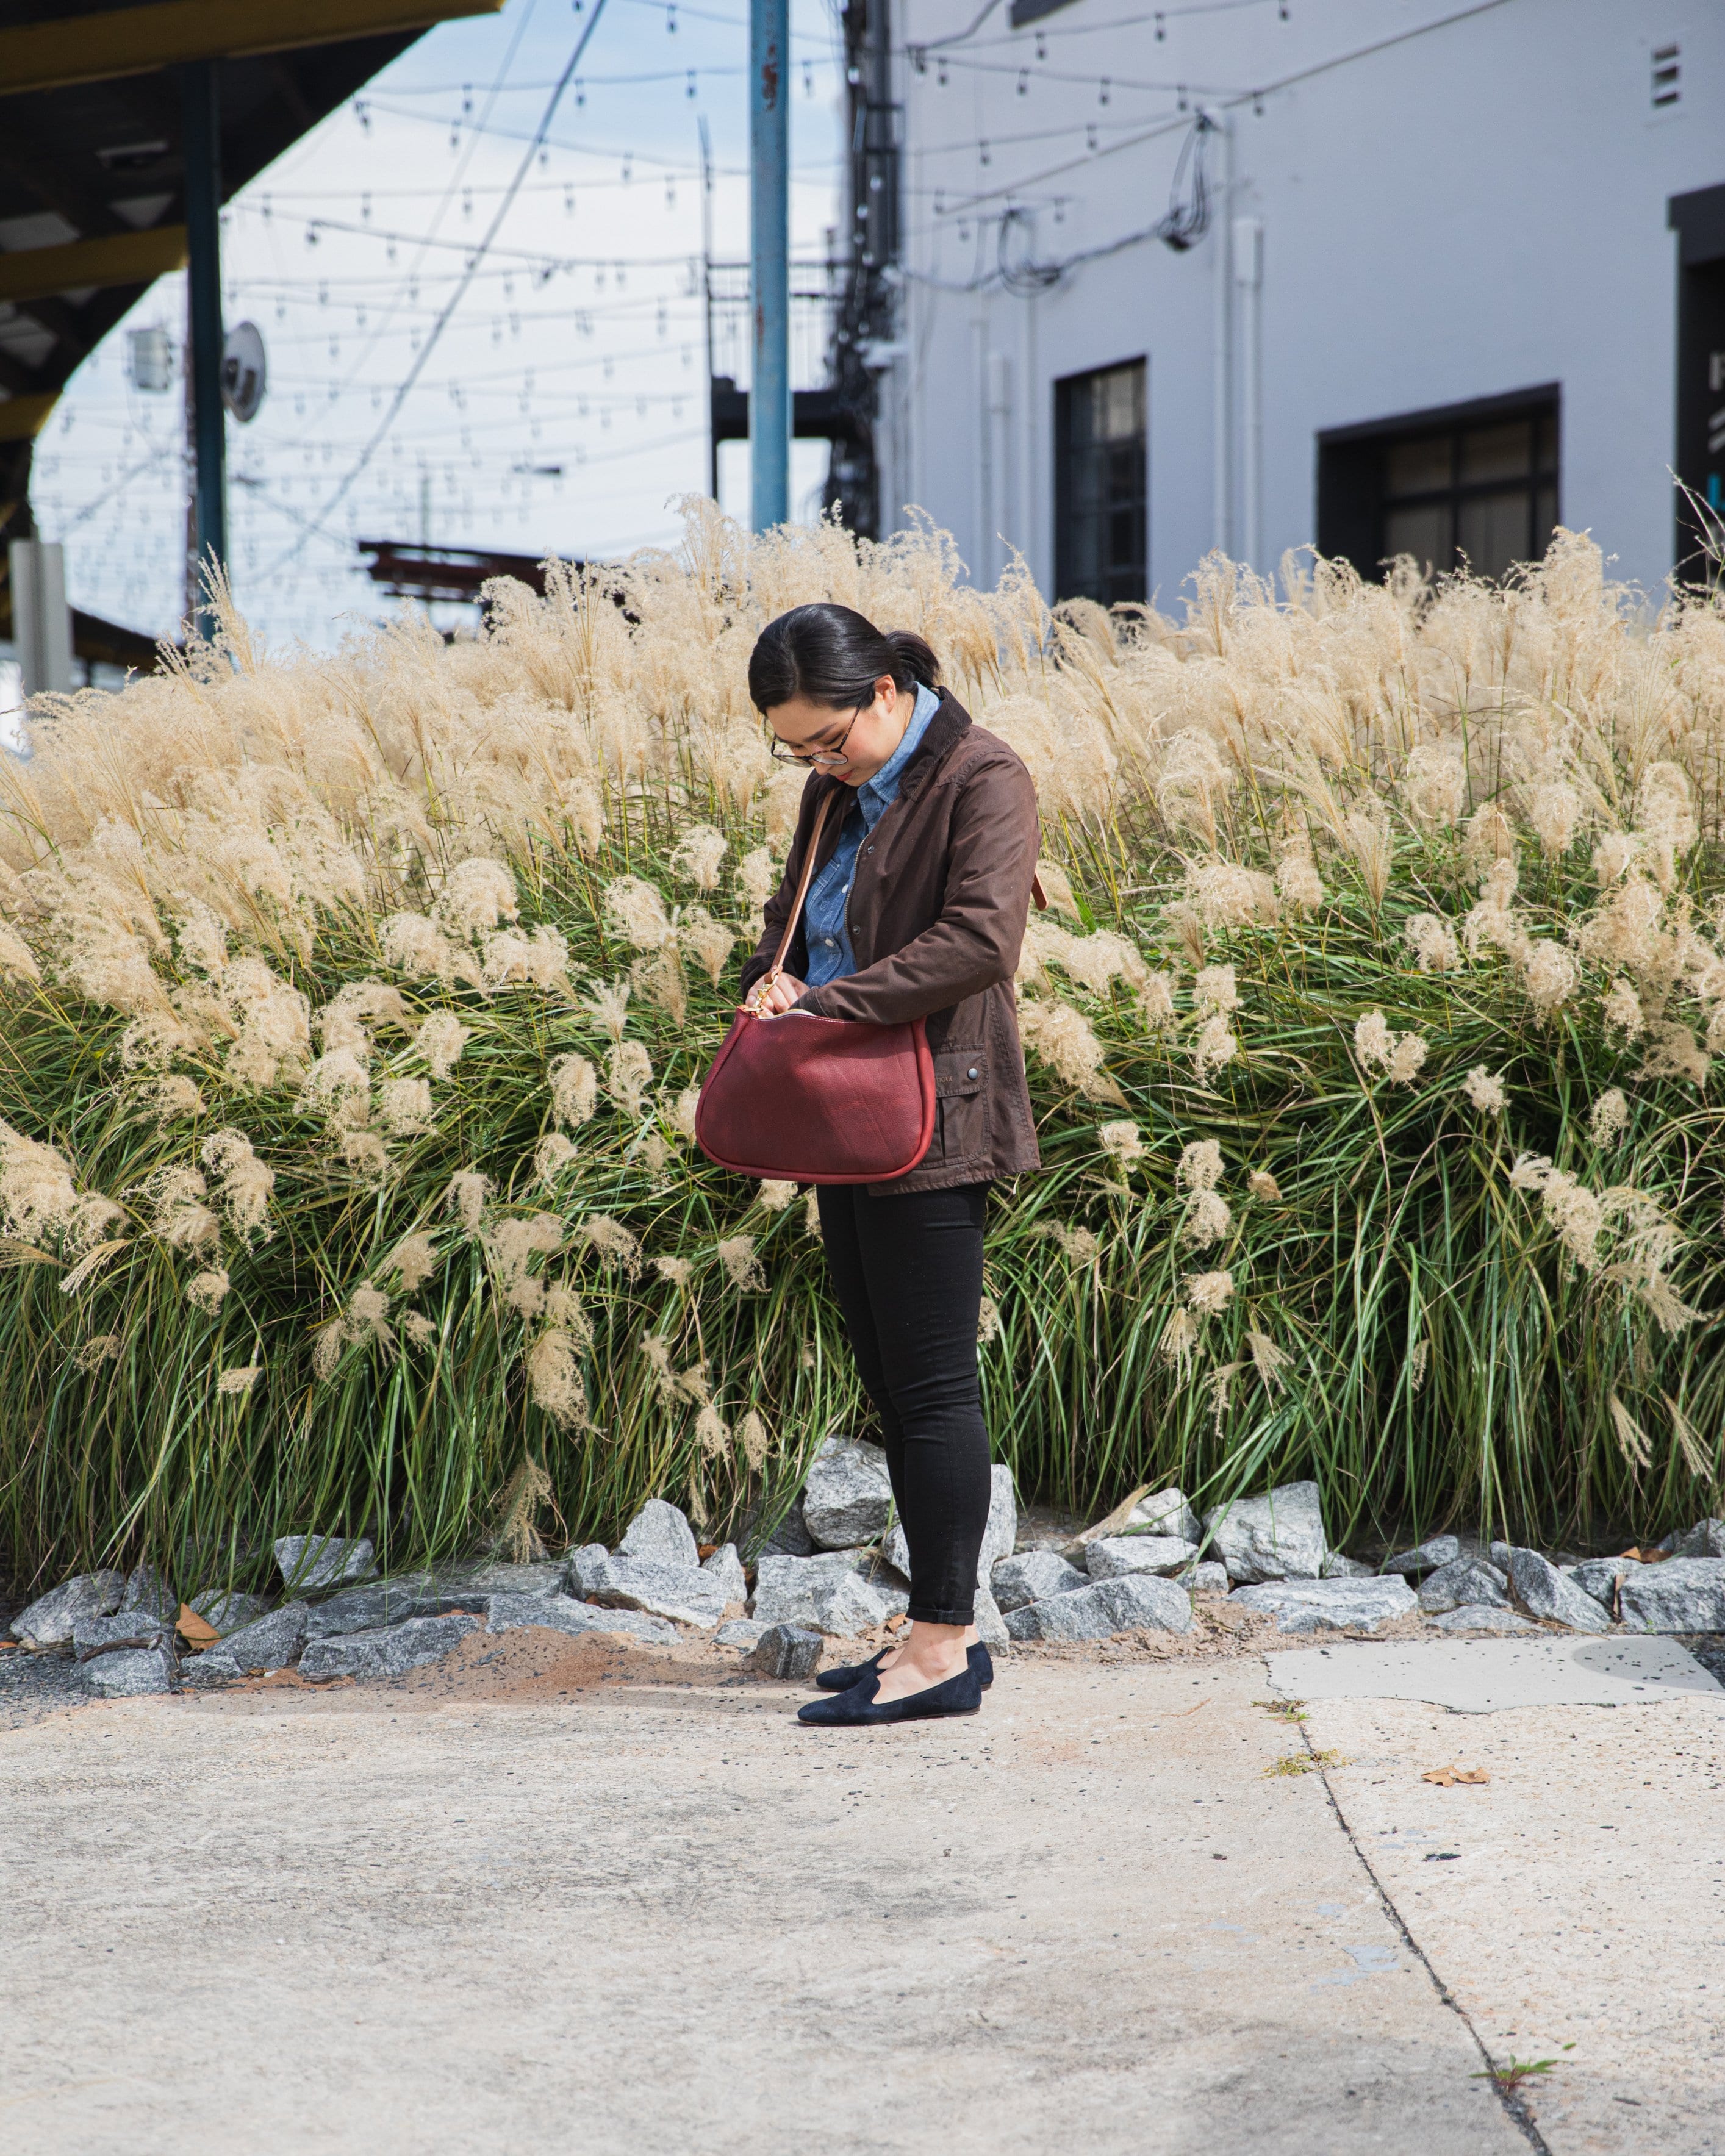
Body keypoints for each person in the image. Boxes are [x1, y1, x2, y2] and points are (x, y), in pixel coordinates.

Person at [741, 601, 1042, 1727]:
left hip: (934, 1113)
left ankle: (944, 1649)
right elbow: (796, 919)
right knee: (891, 1385)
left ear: (881, 692)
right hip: (843, 1113)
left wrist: (824, 1004)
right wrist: (775, 975)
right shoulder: (837, 792)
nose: (817, 764)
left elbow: (979, 942)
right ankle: (927, 1632)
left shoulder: (983, 775)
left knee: (932, 1389)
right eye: (795, 750)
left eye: (828, 739)